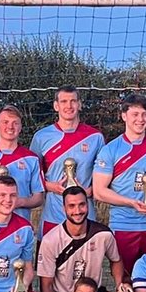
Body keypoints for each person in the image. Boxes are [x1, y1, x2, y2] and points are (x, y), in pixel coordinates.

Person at [92, 93, 146, 272]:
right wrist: (130, 202)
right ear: (124, 116)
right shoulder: (110, 150)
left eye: (144, 114)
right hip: (123, 225)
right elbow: (99, 191)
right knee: (126, 280)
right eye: (135, 114)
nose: (140, 119)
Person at [30, 85, 107, 236]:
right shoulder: (41, 137)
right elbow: (32, 174)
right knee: (48, 259)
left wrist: (91, 191)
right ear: (56, 105)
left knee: (86, 259)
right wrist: (49, 186)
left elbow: (104, 175)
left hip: (85, 214)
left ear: (80, 104)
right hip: (53, 214)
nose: (69, 106)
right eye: (64, 101)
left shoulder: (95, 137)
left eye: (73, 101)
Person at [0, 105, 45, 215]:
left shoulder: (31, 158)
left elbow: (39, 198)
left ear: (20, 127)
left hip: (20, 228)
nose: (10, 127)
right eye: (5, 122)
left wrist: (19, 202)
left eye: (15, 123)